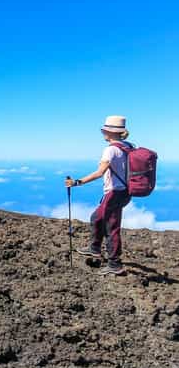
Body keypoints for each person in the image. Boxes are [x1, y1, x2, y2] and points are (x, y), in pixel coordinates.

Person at [65, 115, 132, 276]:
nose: (103, 133)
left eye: (105, 131)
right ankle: (94, 249)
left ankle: (115, 265)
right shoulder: (128, 147)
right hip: (124, 192)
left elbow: (100, 172)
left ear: (109, 132)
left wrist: (77, 182)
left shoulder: (110, 150)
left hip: (114, 193)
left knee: (111, 227)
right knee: (97, 218)